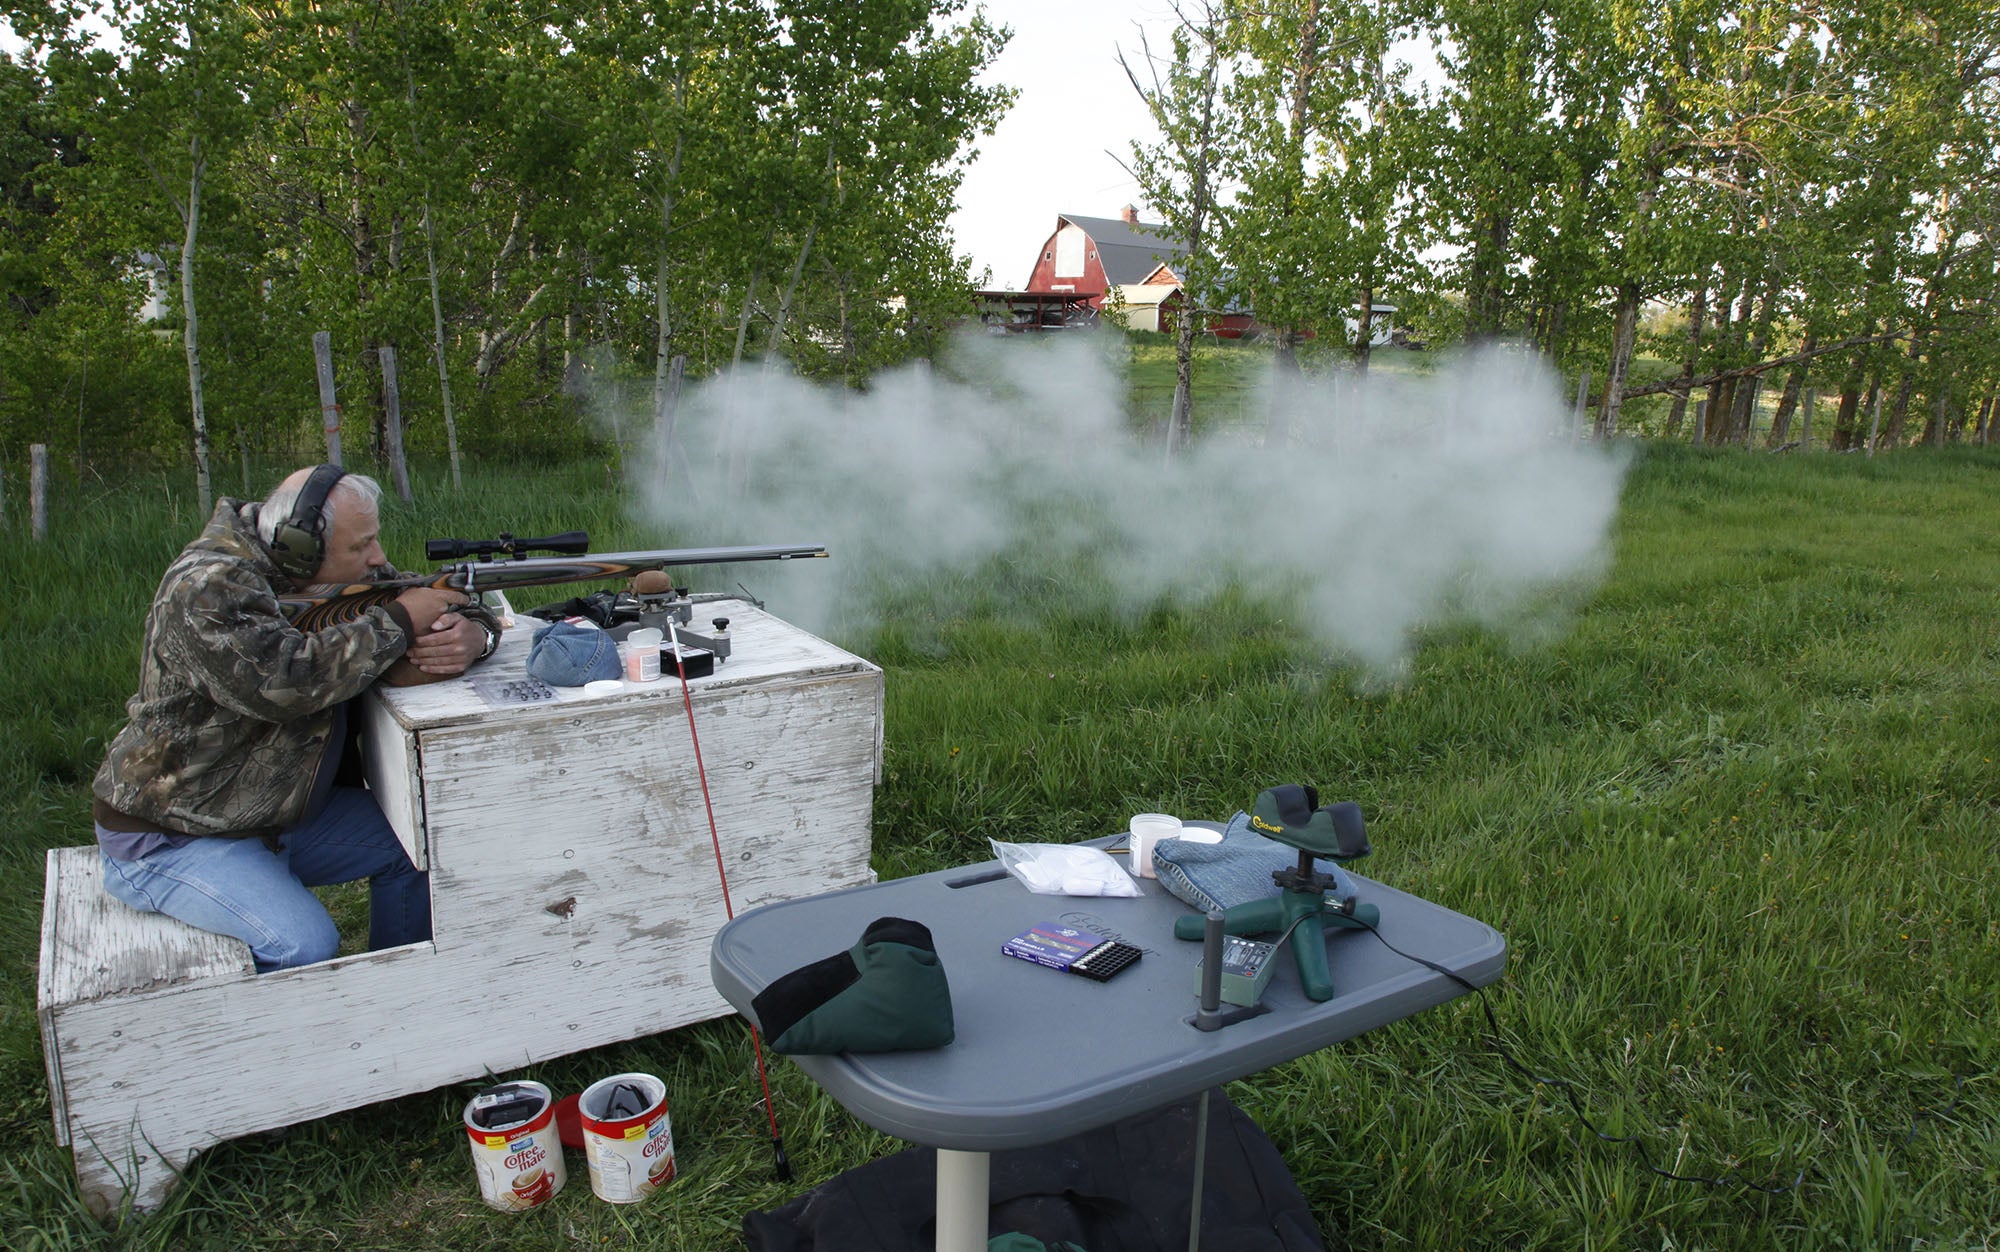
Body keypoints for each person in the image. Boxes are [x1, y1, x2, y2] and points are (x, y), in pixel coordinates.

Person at [91, 465, 502, 971]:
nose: (376, 558)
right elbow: (283, 683)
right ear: (297, 546)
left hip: (270, 811)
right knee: (302, 944)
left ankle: (399, 992)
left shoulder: (327, 571)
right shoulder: (205, 586)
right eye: (360, 547)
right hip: (176, 831)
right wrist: (401, 620)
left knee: (423, 842)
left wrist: (471, 635)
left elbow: (423, 593)